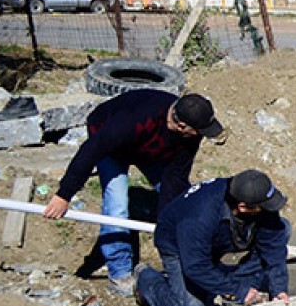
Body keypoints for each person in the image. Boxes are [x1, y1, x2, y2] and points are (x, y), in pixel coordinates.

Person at [44, 90, 225, 295]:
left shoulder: (190, 134)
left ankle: (187, 258)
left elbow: (175, 178)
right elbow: (91, 151)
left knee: (181, 202)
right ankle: (119, 273)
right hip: (110, 144)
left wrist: (166, 225)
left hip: (148, 148)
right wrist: (63, 195)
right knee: (117, 204)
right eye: (200, 131)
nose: (201, 135)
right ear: (182, 125)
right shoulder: (134, 120)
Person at [136, 170, 291, 306]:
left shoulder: (252, 194)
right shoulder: (199, 216)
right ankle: (145, 277)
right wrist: (238, 291)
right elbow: (195, 266)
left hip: (216, 237)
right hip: (177, 244)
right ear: (243, 207)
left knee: (282, 228)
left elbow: (273, 246)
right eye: (264, 206)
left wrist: (279, 289)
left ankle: (229, 281)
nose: (270, 208)